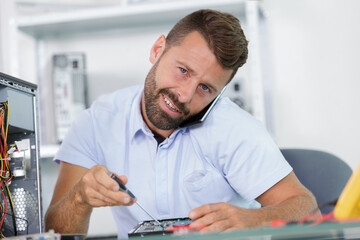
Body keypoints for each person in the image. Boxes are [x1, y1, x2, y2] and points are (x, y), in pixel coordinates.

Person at [45, 9, 318, 238]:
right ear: (157, 50)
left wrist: (253, 219)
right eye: (183, 71)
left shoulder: (236, 130)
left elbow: (306, 207)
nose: (185, 95)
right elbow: (54, 231)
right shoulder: (97, 122)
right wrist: (79, 198)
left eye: (205, 88)